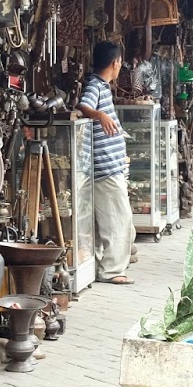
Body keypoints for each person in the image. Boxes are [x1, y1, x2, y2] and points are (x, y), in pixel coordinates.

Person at [78, 40, 136, 284]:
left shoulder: (102, 86)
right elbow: (83, 106)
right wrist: (99, 114)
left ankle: (110, 262)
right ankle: (111, 270)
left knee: (119, 219)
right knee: (117, 220)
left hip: (110, 166)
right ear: (116, 63)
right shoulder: (95, 85)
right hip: (105, 168)